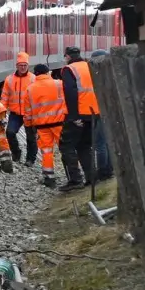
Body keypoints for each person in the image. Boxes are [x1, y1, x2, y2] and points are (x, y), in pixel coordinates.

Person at [58, 45, 100, 194]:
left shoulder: (69, 70)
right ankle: (91, 177)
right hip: (94, 113)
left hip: (79, 114)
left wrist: (73, 116)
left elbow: (70, 92)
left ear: (68, 56)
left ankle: (75, 180)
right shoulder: (89, 66)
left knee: (66, 145)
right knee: (84, 146)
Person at [25, 64, 66, 188]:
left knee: (47, 151)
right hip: (59, 123)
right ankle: (74, 175)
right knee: (66, 149)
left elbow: (28, 111)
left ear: (36, 74)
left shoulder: (30, 89)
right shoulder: (59, 84)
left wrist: (28, 125)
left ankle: (49, 177)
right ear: (48, 72)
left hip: (42, 126)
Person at [0, 52, 38, 165]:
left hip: (29, 114)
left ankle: (30, 159)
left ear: (28, 66)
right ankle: (16, 153)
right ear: (16, 66)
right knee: (10, 133)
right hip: (15, 113)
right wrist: (2, 111)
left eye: (25, 65)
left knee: (31, 138)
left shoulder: (33, 79)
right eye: (20, 65)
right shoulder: (9, 79)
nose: (22, 67)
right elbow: (5, 97)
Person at [90, 49, 115, 180]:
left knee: (100, 143)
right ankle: (110, 168)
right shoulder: (112, 71)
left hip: (100, 112)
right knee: (108, 142)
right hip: (109, 111)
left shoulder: (98, 73)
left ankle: (103, 171)